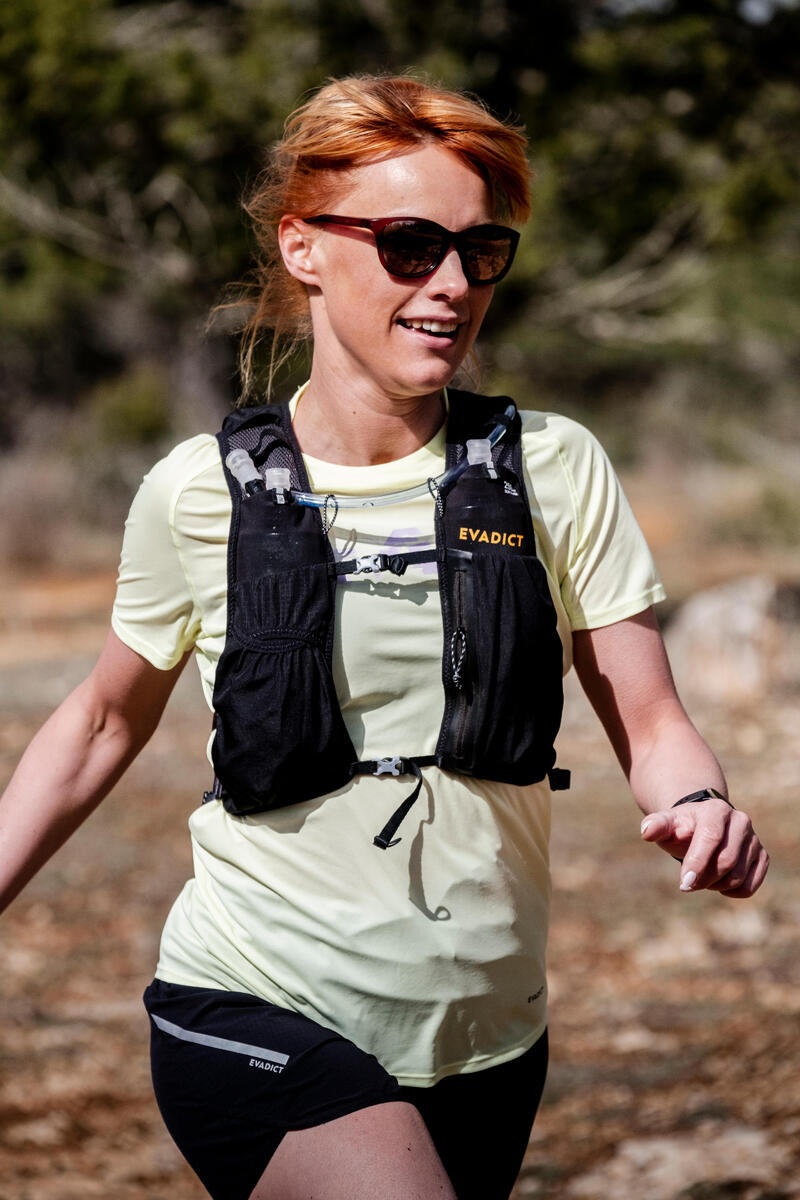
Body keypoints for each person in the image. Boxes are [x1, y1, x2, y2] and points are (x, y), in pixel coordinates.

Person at [0, 74, 769, 1200]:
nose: (451, 285)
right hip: (253, 996)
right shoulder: (196, 492)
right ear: (303, 247)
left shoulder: (553, 470)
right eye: (410, 246)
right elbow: (103, 720)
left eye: (478, 251)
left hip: (486, 1031)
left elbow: (650, 722)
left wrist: (699, 803)